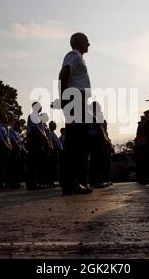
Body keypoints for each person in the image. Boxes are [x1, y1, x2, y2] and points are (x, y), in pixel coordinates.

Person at [58, 32, 93, 195]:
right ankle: (70, 182)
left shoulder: (79, 57)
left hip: (79, 100)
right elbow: (63, 74)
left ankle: (75, 181)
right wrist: (64, 98)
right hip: (75, 99)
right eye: (86, 41)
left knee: (80, 141)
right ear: (78, 42)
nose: (89, 44)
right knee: (75, 142)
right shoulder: (73, 55)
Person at [26, 102, 52, 190]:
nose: (41, 107)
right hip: (34, 140)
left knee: (37, 162)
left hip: (38, 140)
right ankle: (31, 184)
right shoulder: (33, 116)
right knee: (32, 162)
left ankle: (36, 182)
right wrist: (45, 138)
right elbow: (36, 128)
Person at [0, 114, 12, 190]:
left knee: (4, 166)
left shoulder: (6, 127)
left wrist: (10, 146)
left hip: (6, 148)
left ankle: (1, 183)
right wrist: (8, 146)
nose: (6, 119)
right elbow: (1, 139)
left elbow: (7, 138)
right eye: (5, 117)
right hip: (0, 147)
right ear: (1, 118)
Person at [8, 119, 27, 188]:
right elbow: (13, 140)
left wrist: (24, 149)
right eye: (18, 125)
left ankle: (17, 182)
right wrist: (20, 147)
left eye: (19, 125)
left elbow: (20, 143)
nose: (19, 126)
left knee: (18, 167)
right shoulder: (11, 130)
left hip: (18, 151)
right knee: (13, 167)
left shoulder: (17, 133)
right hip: (13, 151)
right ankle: (11, 183)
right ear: (14, 124)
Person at [46, 121, 62, 187]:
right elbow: (50, 142)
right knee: (51, 167)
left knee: (54, 167)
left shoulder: (53, 133)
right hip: (53, 152)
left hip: (56, 151)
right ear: (51, 125)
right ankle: (50, 182)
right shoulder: (50, 133)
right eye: (54, 125)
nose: (56, 126)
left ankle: (51, 181)